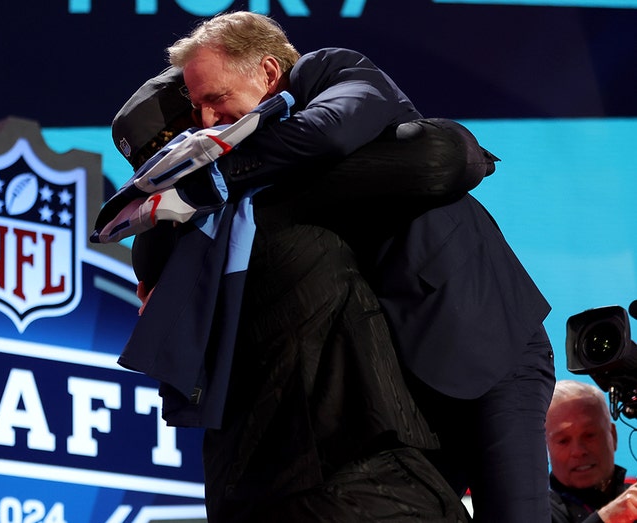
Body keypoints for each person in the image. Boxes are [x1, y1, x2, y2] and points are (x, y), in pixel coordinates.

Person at [159, 11, 556, 523]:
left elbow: (324, 134)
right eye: (197, 108)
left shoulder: (331, 72)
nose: (208, 123)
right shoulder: (259, 164)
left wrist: (211, 173)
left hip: (486, 341)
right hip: (409, 381)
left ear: (268, 71)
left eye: (215, 99)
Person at [105, 52, 476, 523]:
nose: (216, 116)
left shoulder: (162, 241)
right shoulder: (281, 191)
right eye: (208, 105)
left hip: (244, 492)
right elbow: (443, 160)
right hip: (353, 475)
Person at [546, 380, 637, 523]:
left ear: (613, 435)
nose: (578, 451)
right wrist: (607, 518)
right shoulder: (533, 511)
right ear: (547, 448)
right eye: (563, 440)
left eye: (589, 435)